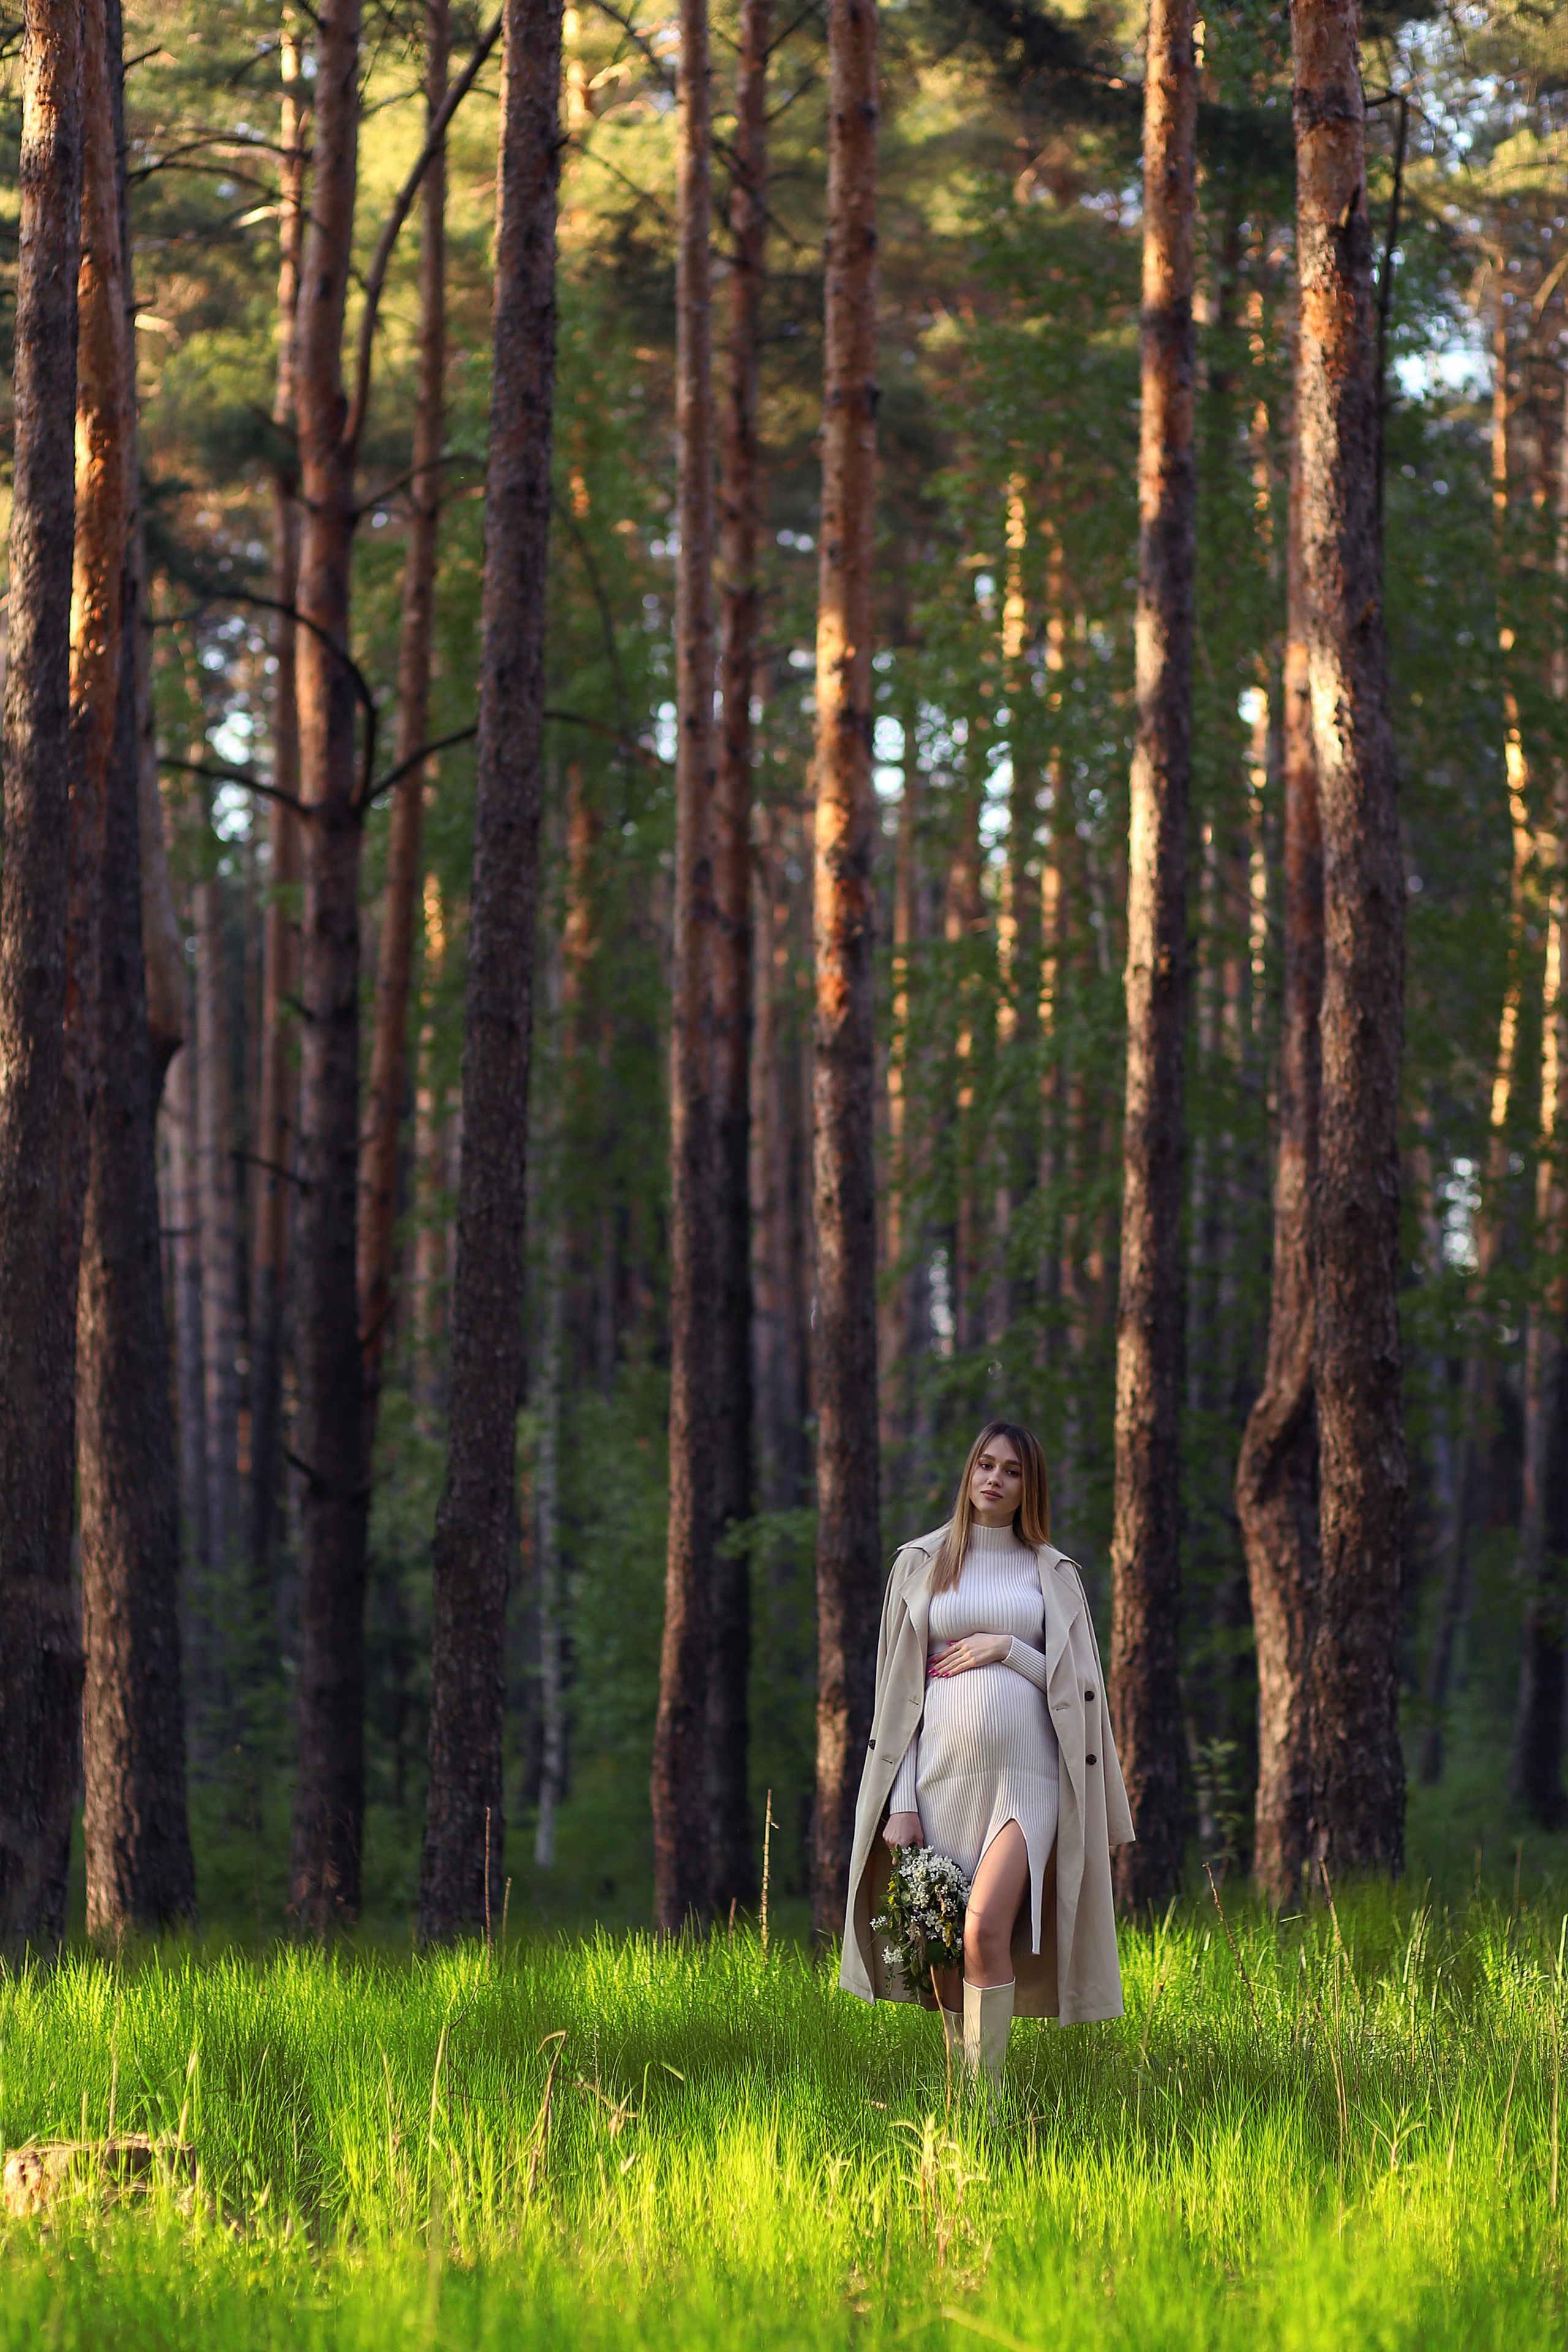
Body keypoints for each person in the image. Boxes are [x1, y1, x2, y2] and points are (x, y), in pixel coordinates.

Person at [839, 1420, 1134, 2087]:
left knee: (981, 1930)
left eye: (1011, 1470)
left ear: (1030, 1486)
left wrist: (1009, 1649)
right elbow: (897, 1694)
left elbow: (1081, 1684)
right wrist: (902, 1802)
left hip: (1028, 1781)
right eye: (984, 1465)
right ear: (968, 1474)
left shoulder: (1051, 1572)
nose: (994, 1479)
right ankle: (962, 2102)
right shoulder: (921, 1562)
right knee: (944, 1947)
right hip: (941, 1779)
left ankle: (991, 2108)